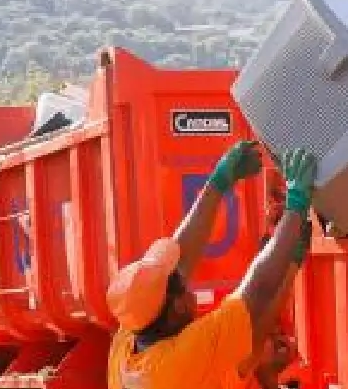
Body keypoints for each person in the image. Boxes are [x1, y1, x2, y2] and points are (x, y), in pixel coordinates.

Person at [106, 140, 318, 389]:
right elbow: (257, 291)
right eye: (182, 285)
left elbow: (181, 254)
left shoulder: (129, 343)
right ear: (177, 306)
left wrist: (217, 183)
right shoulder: (182, 359)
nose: (186, 278)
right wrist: (295, 203)